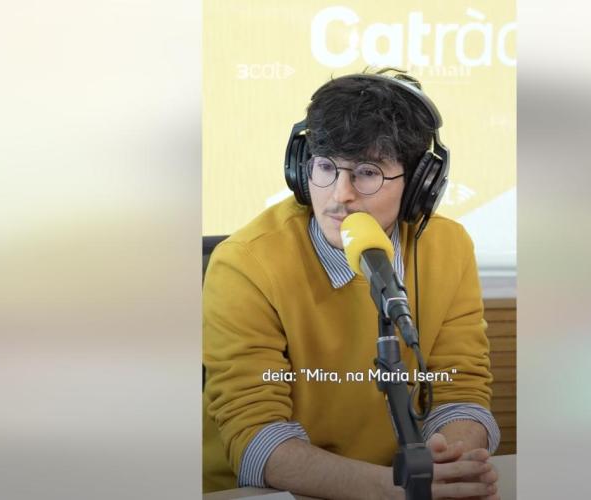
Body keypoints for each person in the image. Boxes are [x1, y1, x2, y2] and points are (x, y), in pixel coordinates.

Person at [203, 69, 501, 499]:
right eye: (325, 167)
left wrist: (448, 464)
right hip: (270, 491)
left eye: (366, 172)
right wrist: (393, 490)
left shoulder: (448, 247)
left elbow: (460, 387)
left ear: (419, 183)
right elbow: (255, 434)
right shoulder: (245, 263)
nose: (340, 194)